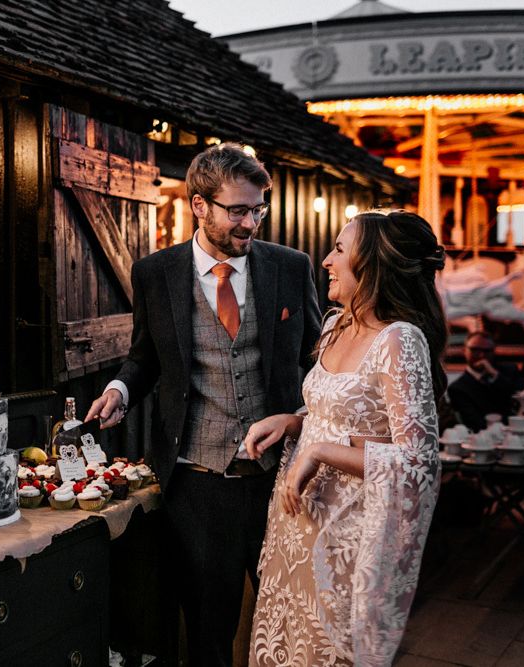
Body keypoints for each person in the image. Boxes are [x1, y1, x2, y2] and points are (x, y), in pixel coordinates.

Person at [85, 143, 322, 665]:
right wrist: (119, 391)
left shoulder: (290, 267)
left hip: (280, 482)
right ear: (199, 205)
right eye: (237, 210)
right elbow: (145, 356)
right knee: (207, 635)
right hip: (197, 485)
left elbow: (319, 361)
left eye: (258, 209)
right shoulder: (155, 273)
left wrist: (303, 421)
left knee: (293, 628)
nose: (250, 223)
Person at [245, 210, 447, 667]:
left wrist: (319, 451)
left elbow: (419, 460)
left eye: (339, 249)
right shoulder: (336, 325)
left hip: (346, 540)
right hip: (296, 526)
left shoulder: (400, 340)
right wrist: (294, 423)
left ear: (372, 264)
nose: (326, 261)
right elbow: (338, 411)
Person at [448, 330, 524, 431]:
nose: (481, 355)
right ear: (464, 351)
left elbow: (521, 399)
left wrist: (495, 376)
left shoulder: (510, 371)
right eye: (475, 350)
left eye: (487, 351)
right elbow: (474, 422)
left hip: (518, 430)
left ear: (494, 351)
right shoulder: (458, 388)